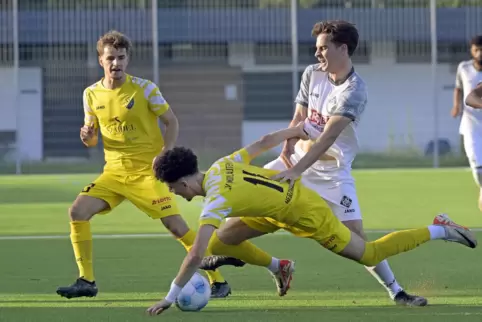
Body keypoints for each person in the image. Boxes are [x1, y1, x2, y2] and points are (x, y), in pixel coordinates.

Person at [201, 20, 426, 306]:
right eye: (316, 48)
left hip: (331, 174)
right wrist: (287, 148)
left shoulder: (354, 90)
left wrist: (296, 170)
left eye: (323, 48)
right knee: (228, 233)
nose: (317, 53)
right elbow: (299, 119)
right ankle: (278, 267)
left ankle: (397, 292)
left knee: (357, 240)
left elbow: (327, 139)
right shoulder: (311, 74)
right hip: (294, 163)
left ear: (342, 48)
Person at [146, 122, 477, 315]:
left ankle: (440, 229)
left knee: (370, 253)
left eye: (175, 188)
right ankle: (280, 267)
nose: (177, 194)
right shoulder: (220, 165)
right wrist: (299, 128)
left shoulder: (216, 200)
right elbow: (262, 143)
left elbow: (194, 253)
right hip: (273, 208)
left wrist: (171, 296)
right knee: (222, 241)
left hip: (305, 213)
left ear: (186, 182)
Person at [55, 30, 231, 299]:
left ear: (128, 59)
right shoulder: (90, 94)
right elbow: (91, 139)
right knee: (77, 212)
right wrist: (88, 137)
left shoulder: (145, 88)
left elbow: (172, 122)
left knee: (177, 228)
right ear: (100, 60)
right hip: (113, 174)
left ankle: (218, 281)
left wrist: (165, 154)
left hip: (147, 173)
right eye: (111, 58)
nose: (117, 63)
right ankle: (86, 281)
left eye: (121, 58)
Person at [452, 35, 482, 211]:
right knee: (478, 168)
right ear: (471, 50)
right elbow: (465, 93)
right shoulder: (464, 68)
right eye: (476, 49)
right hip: (471, 124)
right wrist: (456, 106)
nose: (479, 53)